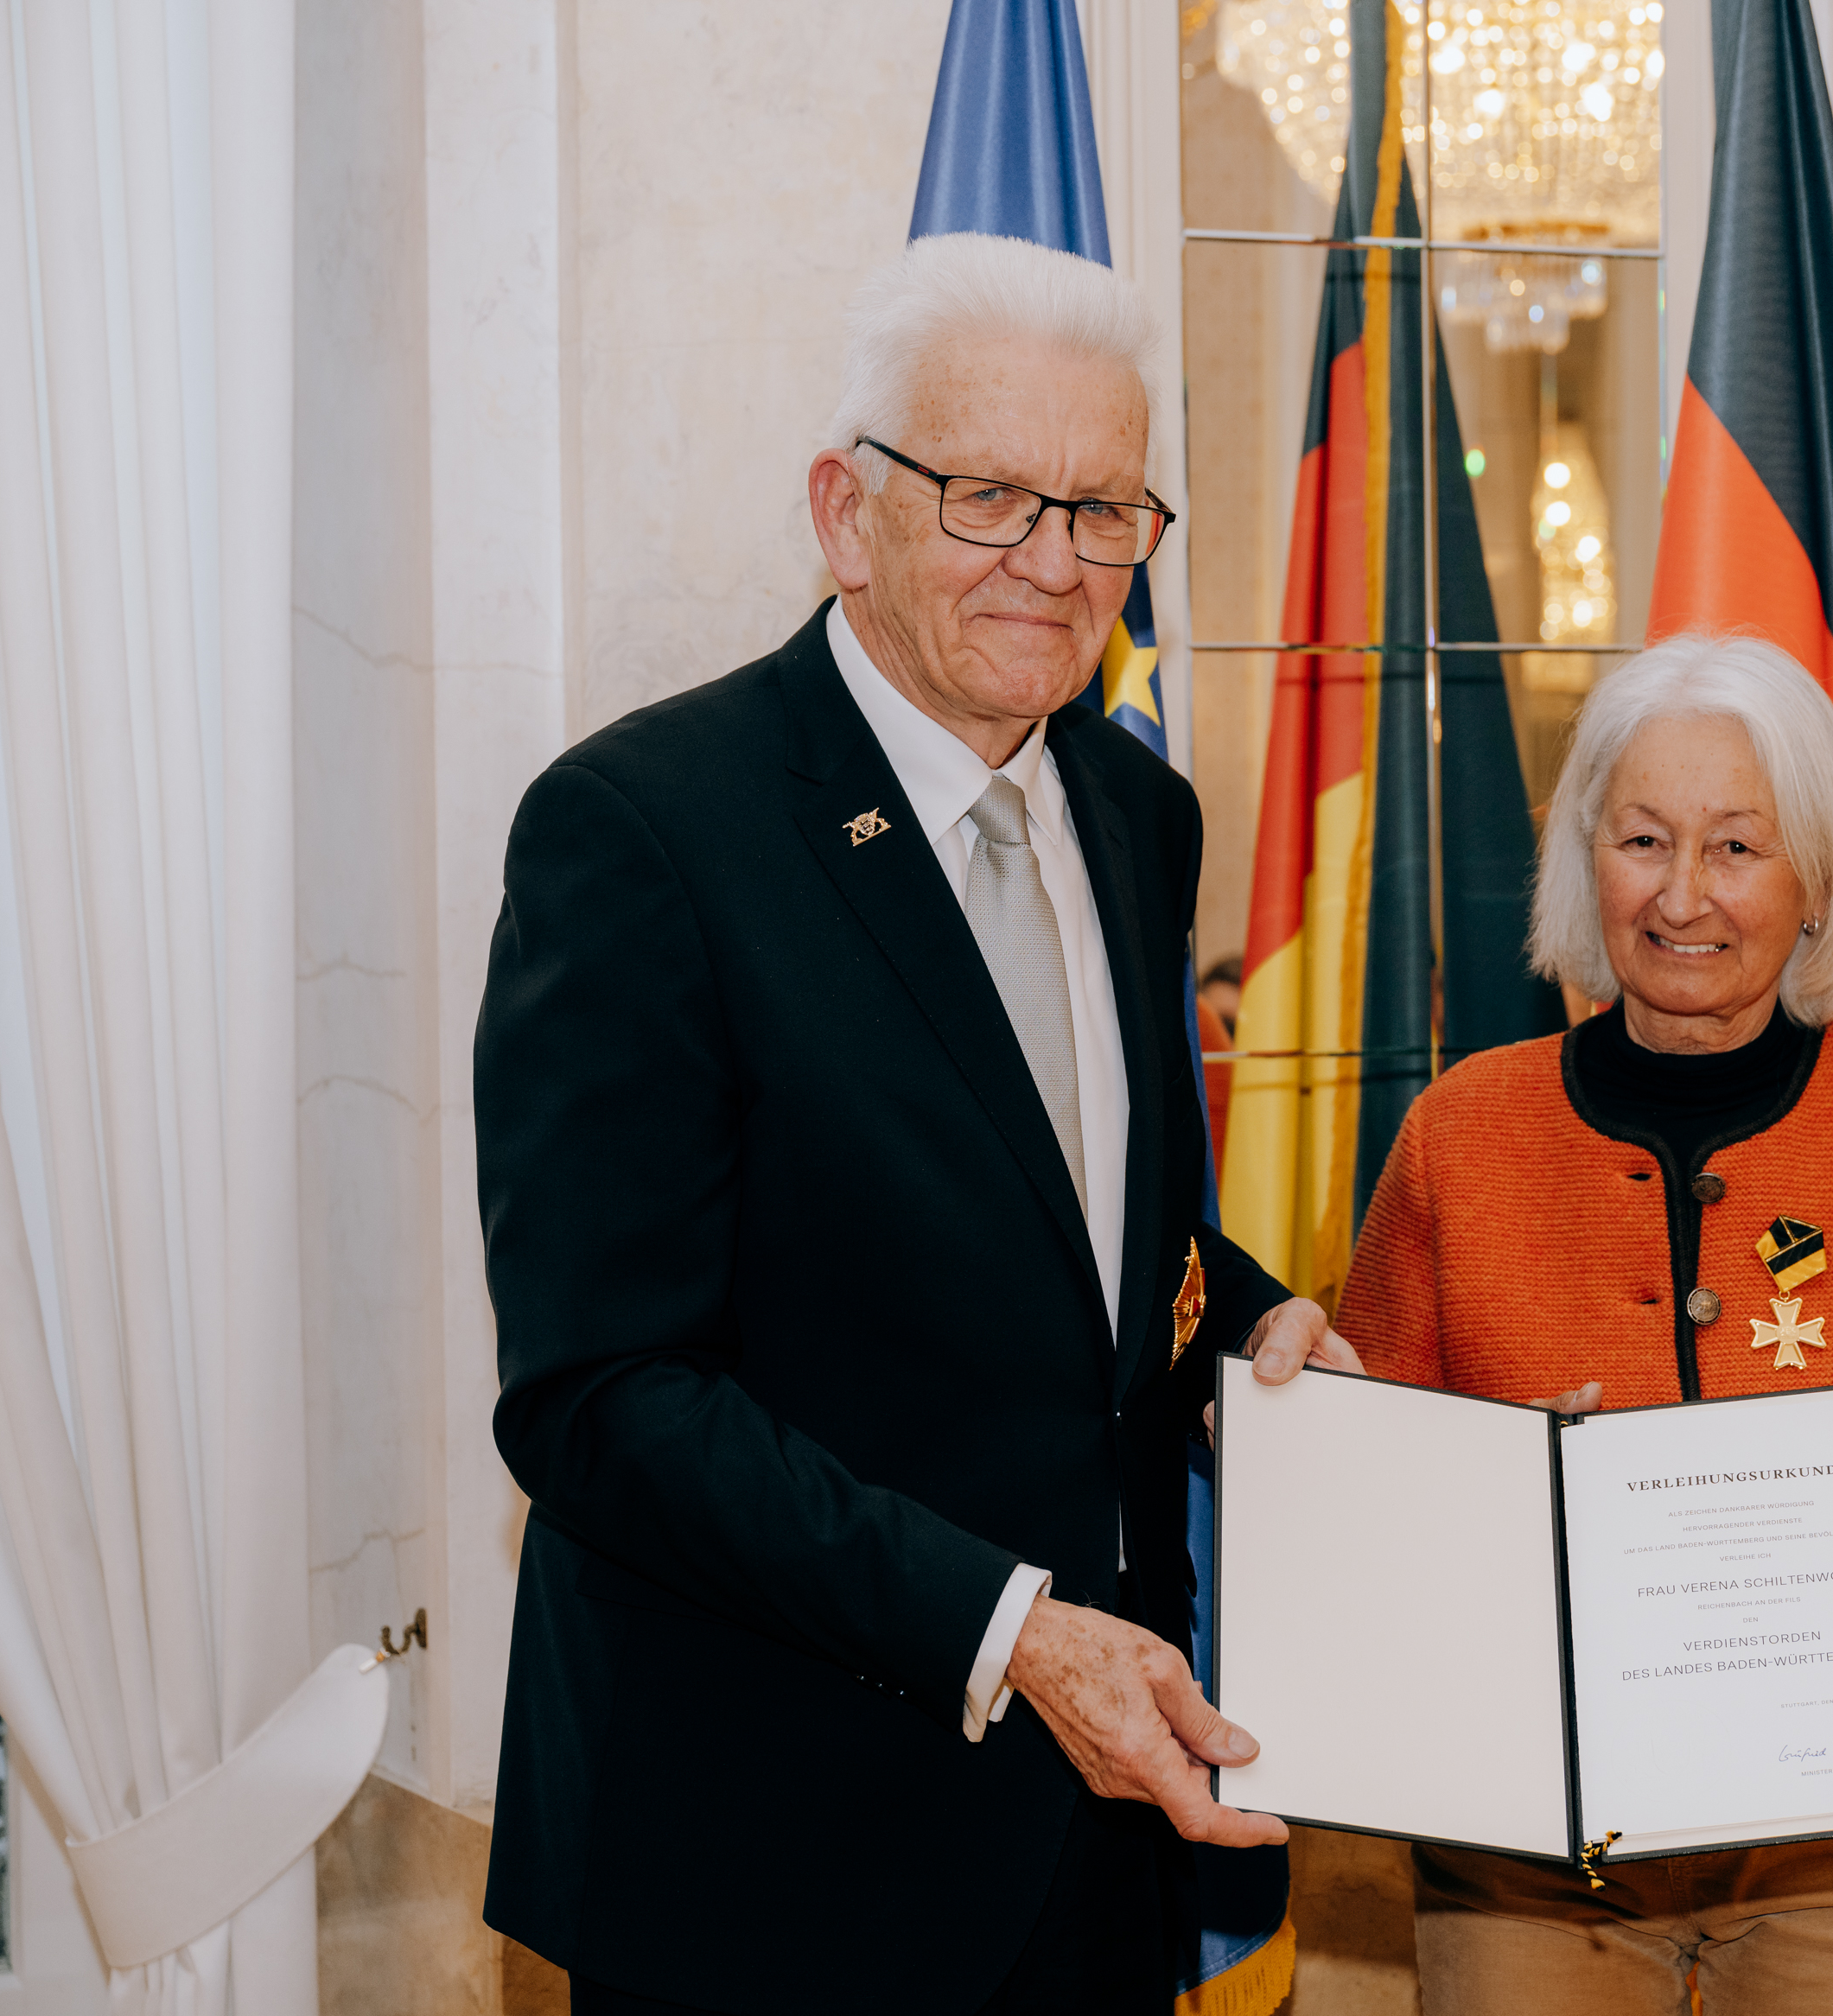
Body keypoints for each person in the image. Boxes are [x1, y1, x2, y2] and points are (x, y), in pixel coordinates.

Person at [474, 233, 1352, 2016]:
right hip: (772, 1851)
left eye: (1104, 510)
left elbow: (1069, 1219)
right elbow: (604, 1397)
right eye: (990, 496)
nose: (1057, 562)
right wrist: (1008, 1630)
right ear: (845, 512)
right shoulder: (644, 831)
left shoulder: (1139, 816)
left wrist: (1245, 1324)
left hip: (1097, 1835)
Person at [1265, 633, 1833, 2014]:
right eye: (1644, 840)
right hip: (1530, 1861)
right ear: (1587, 861)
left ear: (1816, 881)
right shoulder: (1457, 1134)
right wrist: (1343, 1431)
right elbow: (1371, 1525)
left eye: (1737, 846)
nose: (1683, 895)